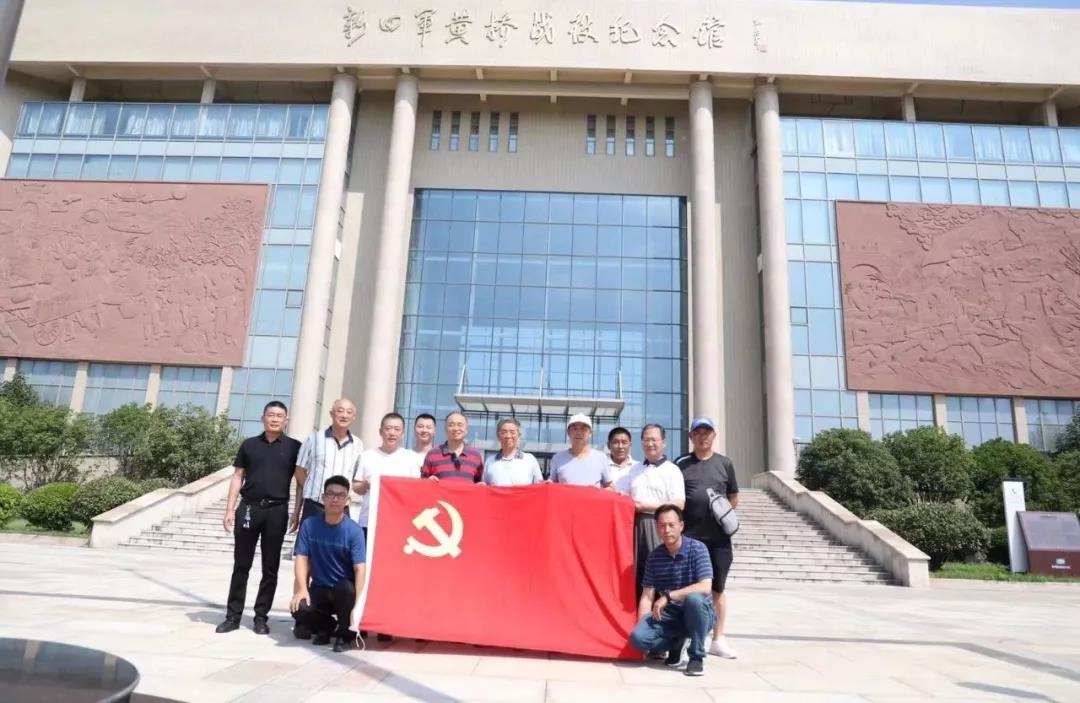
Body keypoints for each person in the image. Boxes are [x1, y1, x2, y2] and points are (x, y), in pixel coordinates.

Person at [216, 401, 302, 635]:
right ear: (262, 418)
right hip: (249, 509)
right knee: (241, 565)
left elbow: (300, 483)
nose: (275, 419)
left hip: (277, 511)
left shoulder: (295, 447)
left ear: (286, 420)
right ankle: (233, 616)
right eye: (270, 415)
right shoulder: (249, 445)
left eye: (279, 416)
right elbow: (238, 476)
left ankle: (261, 617)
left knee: (270, 567)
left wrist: (297, 511)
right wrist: (229, 509)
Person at [675, 416, 740, 659]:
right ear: (691, 436)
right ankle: (685, 638)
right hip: (690, 539)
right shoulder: (681, 464)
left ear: (714, 435)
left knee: (717, 589)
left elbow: (734, 496)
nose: (703, 437)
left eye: (707, 432)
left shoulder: (725, 463)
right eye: (698, 433)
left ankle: (718, 639)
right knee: (688, 590)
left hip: (719, 539)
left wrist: (724, 512)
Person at [629, 504, 715, 677]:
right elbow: (647, 596)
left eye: (671, 525)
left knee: (694, 599)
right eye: (662, 526)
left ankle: (696, 656)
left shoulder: (698, 549)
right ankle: (676, 643)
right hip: (670, 616)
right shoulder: (654, 557)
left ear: (681, 526)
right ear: (656, 528)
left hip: (697, 613)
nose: (666, 530)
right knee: (638, 639)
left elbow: (705, 587)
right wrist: (643, 625)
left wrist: (668, 596)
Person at [290, 476, 366, 652]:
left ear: (347, 501)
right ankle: (326, 625)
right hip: (319, 589)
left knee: (345, 589)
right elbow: (301, 558)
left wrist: (358, 605)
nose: (335, 499)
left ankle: (344, 636)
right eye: (330, 494)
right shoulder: (309, 525)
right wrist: (302, 589)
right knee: (299, 607)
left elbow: (360, 569)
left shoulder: (354, 531)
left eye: (340, 495)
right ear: (323, 498)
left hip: (343, 592)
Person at [627, 424, 685, 591]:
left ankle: (663, 604)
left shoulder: (672, 470)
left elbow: (679, 503)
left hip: (660, 524)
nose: (650, 444)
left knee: (660, 569)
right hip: (635, 526)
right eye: (646, 440)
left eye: (654, 439)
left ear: (663, 442)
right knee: (637, 570)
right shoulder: (634, 470)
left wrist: (645, 506)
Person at [292, 398, 363, 530]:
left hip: (342, 508)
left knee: (340, 543)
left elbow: (356, 476)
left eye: (349, 412)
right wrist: (313, 487)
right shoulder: (314, 439)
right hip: (315, 505)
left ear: (353, 417)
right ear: (331, 414)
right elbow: (300, 470)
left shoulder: (358, 444)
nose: (344, 415)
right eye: (340, 411)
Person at [352, 412, 423, 539]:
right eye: (388, 428)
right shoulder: (367, 456)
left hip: (400, 523)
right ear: (380, 431)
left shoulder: (412, 458)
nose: (392, 433)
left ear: (403, 433)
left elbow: (417, 490)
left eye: (397, 429)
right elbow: (356, 487)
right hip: (369, 522)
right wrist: (366, 484)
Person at [549, 414, 613, 488]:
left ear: (590, 433)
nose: (579, 432)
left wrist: (598, 491)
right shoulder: (558, 458)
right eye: (574, 429)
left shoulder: (601, 457)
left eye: (584, 429)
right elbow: (551, 484)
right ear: (568, 433)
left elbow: (610, 487)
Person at [421, 411, 484, 482]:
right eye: (451, 425)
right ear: (445, 429)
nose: (456, 428)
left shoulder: (476, 456)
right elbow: (422, 482)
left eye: (460, 425)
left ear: (466, 430)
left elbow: (479, 483)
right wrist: (428, 481)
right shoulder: (432, 454)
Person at [483, 417, 543, 487]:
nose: (508, 436)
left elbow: (540, 487)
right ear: (498, 436)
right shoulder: (490, 461)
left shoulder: (530, 460)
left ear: (519, 436)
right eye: (504, 432)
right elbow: (484, 488)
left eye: (512, 432)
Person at [607, 426, 636, 494]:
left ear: (630, 445)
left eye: (624, 442)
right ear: (608, 445)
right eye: (615, 442)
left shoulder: (638, 467)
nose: (620, 446)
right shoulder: (602, 466)